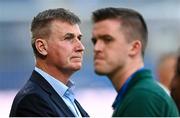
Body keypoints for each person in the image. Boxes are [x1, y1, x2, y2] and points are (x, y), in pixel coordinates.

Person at [91, 7, 179, 117]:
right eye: (95, 41)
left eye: (107, 39)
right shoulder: (137, 94)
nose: (97, 48)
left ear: (134, 48)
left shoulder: (143, 96)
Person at [9, 8, 89, 117]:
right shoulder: (31, 101)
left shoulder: (65, 97)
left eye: (79, 38)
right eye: (68, 38)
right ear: (42, 47)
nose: (81, 47)